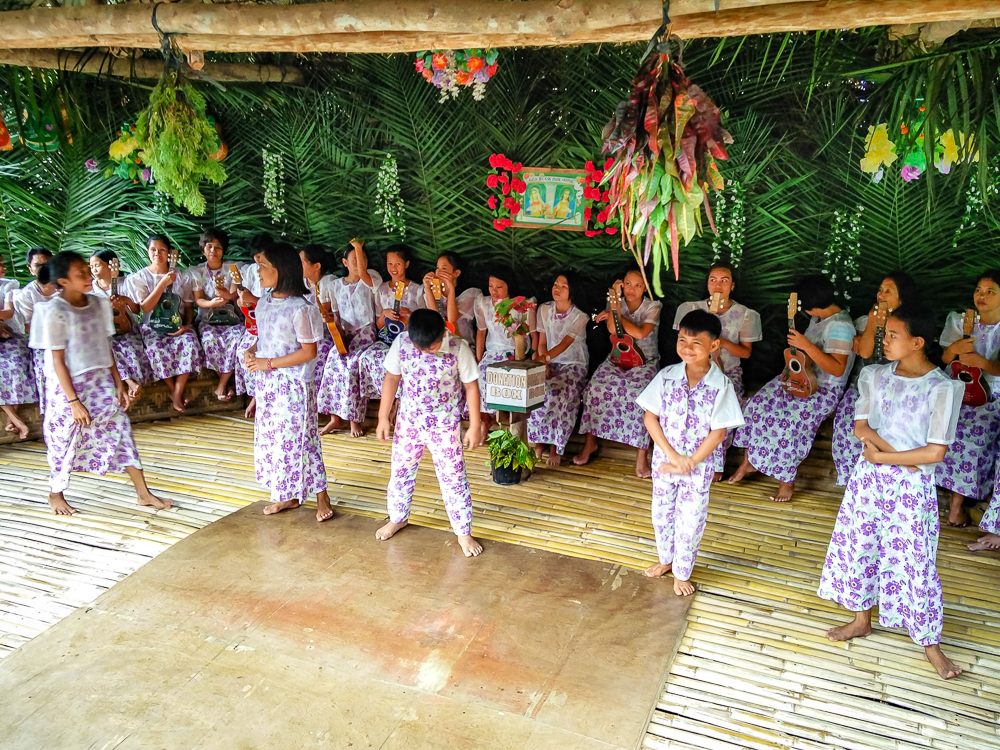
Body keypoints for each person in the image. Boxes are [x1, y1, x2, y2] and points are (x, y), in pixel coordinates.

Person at [817, 306, 963, 680]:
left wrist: (887, 457)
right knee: (861, 544)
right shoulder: (875, 375)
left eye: (893, 335)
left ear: (917, 342)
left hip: (911, 489)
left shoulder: (942, 388)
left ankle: (930, 643)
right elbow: (860, 425)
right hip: (871, 476)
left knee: (916, 559)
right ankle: (861, 619)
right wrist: (888, 456)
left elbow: (935, 451)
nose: (885, 341)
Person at [29, 251, 172, 515]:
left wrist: (120, 383)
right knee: (64, 439)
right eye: (79, 273)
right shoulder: (54, 311)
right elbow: (57, 361)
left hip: (99, 381)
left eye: (87, 269)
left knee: (121, 430)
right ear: (63, 281)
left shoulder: (98, 303)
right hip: (67, 387)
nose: (87, 275)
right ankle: (55, 493)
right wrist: (74, 403)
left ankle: (143, 493)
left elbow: (105, 347)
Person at [636, 310, 744, 595]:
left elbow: (718, 432)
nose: (686, 347)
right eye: (682, 340)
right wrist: (672, 456)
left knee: (690, 521)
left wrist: (692, 462)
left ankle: (682, 572)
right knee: (661, 515)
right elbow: (650, 418)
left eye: (696, 343)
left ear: (714, 346)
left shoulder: (721, 386)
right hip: (664, 463)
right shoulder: (666, 377)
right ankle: (665, 560)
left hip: (699, 470)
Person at [729, 274, 855, 502]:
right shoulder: (818, 319)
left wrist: (805, 345)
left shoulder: (841, 327)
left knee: (787, 422)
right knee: (757, 405)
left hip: (823, 389)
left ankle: (787, 481)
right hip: (800, 379)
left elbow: (837, 369)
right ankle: (749, 461)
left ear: (812, 306)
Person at [373, 309, 484, 557]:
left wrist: (475, 425)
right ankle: (397, 518)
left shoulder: (459, 348)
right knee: (400, 471)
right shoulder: (401, 342)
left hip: (444, 425)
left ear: (443, 332)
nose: (425, 352)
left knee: (453, 478)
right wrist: (382, 417)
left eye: (431, 347)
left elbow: (471, 387)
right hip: (409, 421)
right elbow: (391, 379)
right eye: (420, 347)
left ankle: (463, 533)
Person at [244, 242, 333, 522]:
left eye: (263, 267)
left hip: (293, 387)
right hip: (268, 385)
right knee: (276, 441)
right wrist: (253, 350)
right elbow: (266, 338)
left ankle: (322, 497)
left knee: (301, 441)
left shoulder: (302, 309)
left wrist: (267, 363)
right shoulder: (264, 302)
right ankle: (289, 496)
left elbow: (309, 352)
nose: (258, 272)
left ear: (280, 271)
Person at [673, 262, 761, 479]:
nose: (718, 285)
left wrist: (721, 343)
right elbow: (682, 344)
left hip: (727, 373)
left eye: (724, 280)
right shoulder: (690, 309)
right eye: (713, 279)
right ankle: (682, 457)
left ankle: (716, 463)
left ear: (732, 285)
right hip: (693, 370)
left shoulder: (745, 314)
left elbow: (745, 353)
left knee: (718, 406)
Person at [831, 272, 919, 485]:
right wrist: (873, 323)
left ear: (902, 298)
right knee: (847, 425)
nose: (880, 294)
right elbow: (865, 353)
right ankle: (854, 482)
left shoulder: (911, 324)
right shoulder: (866, 319)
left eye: (888, 291)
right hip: (865, 390)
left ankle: (885, 481)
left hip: (899, 390)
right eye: (880, 290)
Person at [574, 269, 662, 478]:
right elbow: (614, 330)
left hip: (644, 362)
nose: (632, 289)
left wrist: (616, 315)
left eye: (638, 285)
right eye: (628, 284)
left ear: (645, 288)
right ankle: (590, 443)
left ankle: (642, 455)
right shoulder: (616, 301)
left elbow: (641, 333)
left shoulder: (653, 306)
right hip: (617, 359)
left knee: (642, 397)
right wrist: (614, 300)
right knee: (594, 389)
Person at [935, 270, 1000, 528]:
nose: (981, 296)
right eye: (978, 290)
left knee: (970, 433)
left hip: (992, 396)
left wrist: (982, 362)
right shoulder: (961, 321)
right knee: (939, 423)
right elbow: (943, 360)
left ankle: (956, 507)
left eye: (990, 292)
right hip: (957, 390)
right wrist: (953, 350)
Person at [125, 234, 203, 413]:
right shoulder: (139, 278)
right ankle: (174, 391)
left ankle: (177, 391)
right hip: (151, 327)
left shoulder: (182, 276)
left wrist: (187, 325)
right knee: (155, 349)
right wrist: (162, 283)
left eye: (162, 250)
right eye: (153, 250)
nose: (157, 254)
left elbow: (189, 306)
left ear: (170, 253)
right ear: (147, 252)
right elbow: (145, 308)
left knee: (189, 342)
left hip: (178, 325)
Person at [317, 239, 381, 438]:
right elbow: (336, 315)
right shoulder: (336, 285)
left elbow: (364, 274)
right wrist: (335, 329)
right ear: (345, 263)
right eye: (354, 259)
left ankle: (353, 419)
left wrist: (358, 249)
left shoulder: (371, 279)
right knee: (333, 362)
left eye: (362, 258)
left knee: (351, 367)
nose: (359, 262)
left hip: (366, 335)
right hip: (346, 336)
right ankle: (335, 418)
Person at [528, 273, 589, 466]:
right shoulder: (545, 309)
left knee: (561, 394)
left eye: (564, 286)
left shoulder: (580, 316)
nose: (557, 289)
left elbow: (564, 344)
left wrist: (542, 360)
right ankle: (538, 442)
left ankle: (555, 446)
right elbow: (543, 341)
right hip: (549, 362)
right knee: (538, 390)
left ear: (572, 292)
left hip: (574, 365)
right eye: (556, 284)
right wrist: (544, 364)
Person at [358, 245, 427, 411]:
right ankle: (385, 401)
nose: (393, 268)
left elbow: (426, 321)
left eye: (398, 264)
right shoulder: (381, 290)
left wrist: (411, 314)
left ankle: (401, 403)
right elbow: (379, 325)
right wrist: (384, 315)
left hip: (410, 341)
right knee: (366, 358)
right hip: (387, 340)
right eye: (390, 264)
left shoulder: (418, 290)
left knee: (406, 360)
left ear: (407, 264)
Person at [474, 268, 537, 440]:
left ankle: (506, 422)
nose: (494, 291)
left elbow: (534, 334)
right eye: (491, 286)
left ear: (509, 286)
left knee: (509, 379)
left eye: (499, 287)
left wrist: (534, 358)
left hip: (515, 353)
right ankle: (485, 420)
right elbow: (481, 332)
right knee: (480, 375)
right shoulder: (484, 303)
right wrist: (479, 359)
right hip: (492, 352)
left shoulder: (522, 305)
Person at [88, 249, 151, 401]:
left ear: (112, 266)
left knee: (130, 348)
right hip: (104, 333)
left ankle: (132, 383)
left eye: (97, 265)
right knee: (109, 350)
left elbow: (137, 310)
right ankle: (130, 383)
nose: (94, 270)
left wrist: (125, 301)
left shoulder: (126, 283)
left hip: (128, 330)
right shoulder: (90, 289)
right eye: (91, 266)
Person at [190, 228, 244, 402]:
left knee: (236, 338)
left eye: (218, 247)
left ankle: (221, 384)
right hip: (207, 319)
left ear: (224, 250)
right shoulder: (197, 272)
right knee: (208, 340)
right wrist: (211, 303)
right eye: (209, 246)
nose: (213, 251)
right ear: (203, 249)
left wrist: (224, 294)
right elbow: (198, 300)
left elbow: (234, 295)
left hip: (232, 319)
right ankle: (225, 383)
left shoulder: (233, 268)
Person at [233, 233, 272, 419]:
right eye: (255, 256)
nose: (257, 260)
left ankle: (262, 397)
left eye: (261, 256)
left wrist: (254, 300)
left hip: (272, 325)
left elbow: (276, 303)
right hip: (254, 323)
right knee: (243, 351)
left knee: (262, 353)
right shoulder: (249, 271)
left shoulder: (276, 270)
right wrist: (243, 301)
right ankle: (256, 394)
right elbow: (243, 297)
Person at [0, 253, 36, 439]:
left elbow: (7, 312)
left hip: (10, 338)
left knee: (17, 364)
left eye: (2, 263)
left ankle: (11, 420)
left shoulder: (8, 285)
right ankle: (15, 419)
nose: (3, 267)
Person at [16, 261, 58, 414]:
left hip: (66, 340)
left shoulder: (63, 290)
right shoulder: (26, 296)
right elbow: (30, 328)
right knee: (45, 368)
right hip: (43, 344)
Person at [422, 252, 481, 345]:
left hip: (463, 343)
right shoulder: (433, 290)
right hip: (438, 343)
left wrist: (451, 290)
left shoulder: (471, 293)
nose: (438, 272)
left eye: (444, 268)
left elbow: (452, 321)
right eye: (437, 268)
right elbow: (435, 317)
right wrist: (427, 288)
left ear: (456, 273)